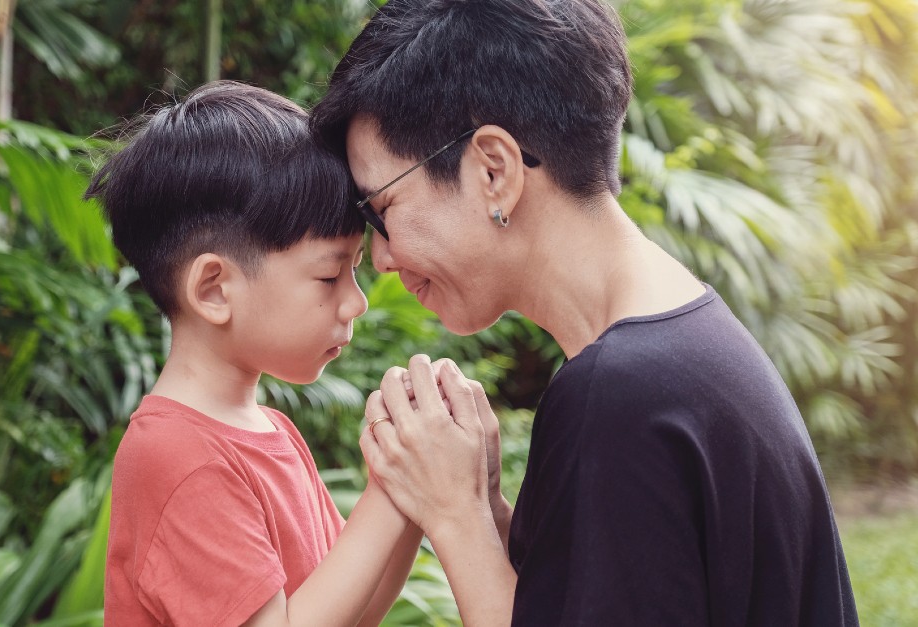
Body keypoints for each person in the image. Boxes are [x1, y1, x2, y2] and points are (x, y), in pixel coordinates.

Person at [310, 0, 858, 625]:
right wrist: (486, 507)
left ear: (494, 171)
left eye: (381, 210)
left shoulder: (622, 393)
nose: (381, 255)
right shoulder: (679, 345)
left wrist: (455, 515)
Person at [87, 81, 422, 626]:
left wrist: (408, 487)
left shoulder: (270, 431)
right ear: (215, 289)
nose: (355, 303)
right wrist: (389, 494)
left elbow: (353, 613)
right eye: (330, 274)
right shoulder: (175, 456)